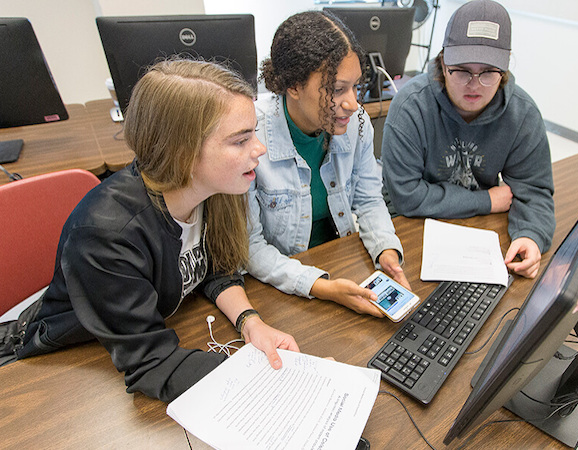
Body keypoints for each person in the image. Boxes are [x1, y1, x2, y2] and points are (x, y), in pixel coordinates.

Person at [0, 59, 298, 402]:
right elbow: (152, 364)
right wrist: (274, 381)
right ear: (182, 152)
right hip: (65, 362)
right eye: (240, 140)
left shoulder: (214, 189)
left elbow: (216, 269)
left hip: (141, 330)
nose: (258, 148)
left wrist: (251, 323)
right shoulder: (106, 234)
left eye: (254, 133)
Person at [248, 10, 408, 317]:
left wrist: (386, 249)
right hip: (284, 290)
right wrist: (322, 287)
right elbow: (250, 250)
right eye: (337, 90)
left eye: (355, 86)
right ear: (293, 86)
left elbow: (369, 200)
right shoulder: (251, 138)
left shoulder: (357, 124)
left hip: (340, 265)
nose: (353, 104)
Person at [381, 0, 555, 279]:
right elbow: (407, 197)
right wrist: (486, 201)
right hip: (409, 225)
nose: (474, 84)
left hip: (477, 231)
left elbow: (533, 190)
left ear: (505, 69)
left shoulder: (522, 113)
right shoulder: (409, 107)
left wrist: (531, 235)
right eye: (461, 70)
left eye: (488, 72)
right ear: (442, 61)